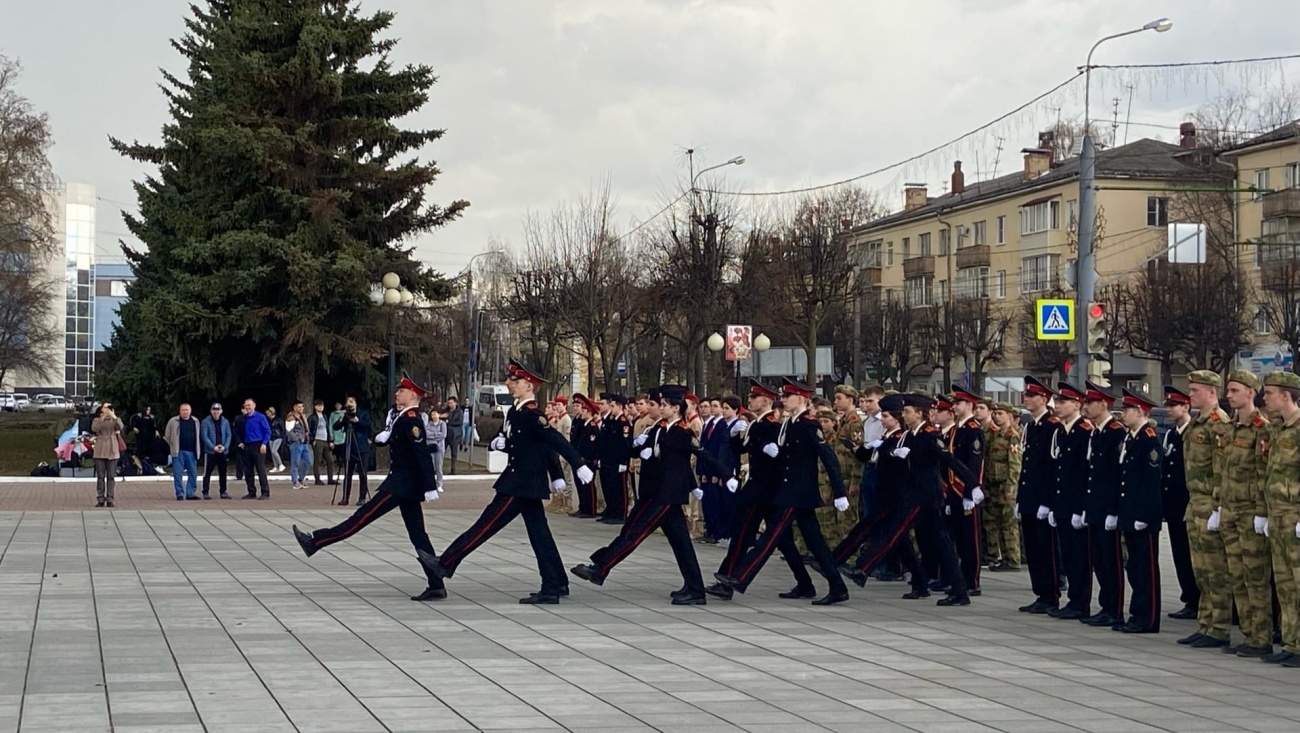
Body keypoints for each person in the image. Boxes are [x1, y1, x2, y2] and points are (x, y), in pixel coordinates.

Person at [418, 359, 593, 604]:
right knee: (540, 535)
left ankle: (445, 563)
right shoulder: (516, 411)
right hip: (522, 482)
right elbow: (519, 442)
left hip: (521, 484)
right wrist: (500, 443)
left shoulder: (532, 414)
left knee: (485, 525)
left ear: (529, 385)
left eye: (515, 380)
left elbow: (553, 441)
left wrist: (577, 464)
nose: (509, 383)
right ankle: (555, 583)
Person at [571, 385, 737, 605]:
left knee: (634, 533)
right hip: (653, 492)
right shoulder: (659, 428)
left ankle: (601, 568)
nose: (660, 408)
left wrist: (727, 475)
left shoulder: (682, 432)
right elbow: (635, 451)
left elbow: (702, 455)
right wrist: (638, 447)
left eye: (664, 405)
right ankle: (695, 588)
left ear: (676, 408)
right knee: (680, 544)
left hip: (666, 495)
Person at [294, 373, 448, 601]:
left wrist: (430, 486)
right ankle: (436, 584)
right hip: (404, 486)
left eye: (401, 391)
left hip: (401, 485)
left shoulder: (411, 419)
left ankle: (315, 542)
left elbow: (421, 454)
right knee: (418, 535)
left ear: (412, 395)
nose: (397, 393)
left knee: (360, 518)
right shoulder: (402, 417)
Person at [714, 378, 854, 606]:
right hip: (789, 491)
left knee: (770, 536)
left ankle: (740, 577)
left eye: (788, 396)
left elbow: (828, 458)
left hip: (799, 492)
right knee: (815, 543)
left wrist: (839, 492)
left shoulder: (809, 424)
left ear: (801, 398)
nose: (783, 400)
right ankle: (837, 587)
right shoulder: (789, 423)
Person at [1219, 370, 1275, 658]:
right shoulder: (1230, 428)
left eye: (1235, 390)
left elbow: (1263, 473)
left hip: (1250, 512)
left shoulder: (1261, 428)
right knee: (1237, 576)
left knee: (1256, 577)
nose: (1229, 395)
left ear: (1251, 392)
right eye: (1228, 390)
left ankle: (1262, 637)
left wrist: (1262, 512)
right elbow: (1224, 471)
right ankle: (1248, 634)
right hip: (1230, 511)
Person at [1177, 370, 1233, 649]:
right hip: (1195, 502)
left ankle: (1219, 627)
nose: (1190, 395)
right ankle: (1205, 623)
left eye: (1195, 390)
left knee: (1215, 570)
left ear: (1211, 392)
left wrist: (1218, 507)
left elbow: (1221, 469)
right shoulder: (1198, 422)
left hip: (1210, 503)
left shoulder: (1218, 424)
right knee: (1200, 570)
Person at [1259, 370, 1300, 666]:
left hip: (1295, 517)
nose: (1264, 398)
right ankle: (1292, 643)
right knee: (1285, 586)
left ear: (1286, 395)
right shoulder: (1278, 429)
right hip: (1279, 518)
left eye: (1269, 393)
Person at [1115, 387, 1163, 634]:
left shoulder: (1148, 439)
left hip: (1143, 517)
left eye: (1128, 409)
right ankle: (1136, 614)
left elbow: (1151, 483)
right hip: (1130, 514)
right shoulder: (1131, 438)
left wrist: (1145, 515)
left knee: (1146, 569)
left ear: (1141, 411)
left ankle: (1148, 618)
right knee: (1134, 568)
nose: (1123, 413)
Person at [1080, 381, 1127, 629]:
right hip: (1095, 506)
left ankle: (1114, 609)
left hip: (1108, 507)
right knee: (1099, 560)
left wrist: (1113, 510)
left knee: (1111, 561)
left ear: (1103, 404)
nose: (1085, 406)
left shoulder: (1115, 432)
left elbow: (1116, 475)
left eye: (1090, 403)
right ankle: (1104, 606)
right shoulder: (1096, 432)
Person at [1018, 376, 1064, 615]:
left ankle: (1051, 594)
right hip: (1030, 497)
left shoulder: (1052, 426)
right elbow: (1026, 466)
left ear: (1044, 399)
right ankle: (1040, 593)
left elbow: (1051, 468)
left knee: (1046, 549)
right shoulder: (1030, 426)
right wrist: (1020, 498)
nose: (1026, 399)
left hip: (1042, 500)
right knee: (1033, 550)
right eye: (1026, 395)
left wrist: (1047, 502)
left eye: (1031, 395)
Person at [1047, 382, 1093, 620]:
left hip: (1076, 506)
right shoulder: (1062, 431)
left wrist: (1080, 508)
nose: (1058, 406)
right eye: (1057, 401)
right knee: (1068, 555)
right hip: (1063, 504)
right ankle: (1073, 600)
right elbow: (1058, 472)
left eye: (1063, 402)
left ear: (1077, 404)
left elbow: (1084, 474)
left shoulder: (1084, 431)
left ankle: (1081, 602)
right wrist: (1054, 505)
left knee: (1079, 557)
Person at [942, 386, 987, 596]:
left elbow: (974, 463)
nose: (954, 406)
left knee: (970, 540)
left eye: (958, 403)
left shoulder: (973, 429)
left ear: (969, 405)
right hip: (954, 490)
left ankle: (972, 581)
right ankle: (960, 579)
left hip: (967, 491)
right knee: (959, 538)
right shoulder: (956, 429)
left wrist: (970, 491)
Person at [1161, 386, 1199, 620]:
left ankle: (1196, 599)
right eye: (1167, 405)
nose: (1168, 409)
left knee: (1191, 555)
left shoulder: (1192, 434)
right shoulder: (1171, 435)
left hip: (1188, 505)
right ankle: (1189, 597)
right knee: (1179, 554)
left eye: (1173, 405)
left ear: (1186, 407)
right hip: (1174, 506)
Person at [984, 402, 1023, 571]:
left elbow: (1015, 464)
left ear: (1009, 415)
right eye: (995, 413)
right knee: (996, 522)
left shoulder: (1011, 436)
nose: (996, 416)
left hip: (1005, 485)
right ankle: (1002, 557)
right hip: (993, 484)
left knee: (1008, 523)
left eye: (1000, 413)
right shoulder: (994, 434)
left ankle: (1013, 559)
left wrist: (1010, 486)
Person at [596, 393, 633, 524]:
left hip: (618, 461)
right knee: (610, 487)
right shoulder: (612, 421)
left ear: (620, 406)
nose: (611, 408)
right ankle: (611, 511)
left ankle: (620, 514)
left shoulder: (623, 423)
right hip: (609, 460)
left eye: (613, 406)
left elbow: (624, 444)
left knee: (619, 488)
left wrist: (623, 461)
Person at [333, 396, 372, 505]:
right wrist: (341, 419)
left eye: (352, 402)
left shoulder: (363, 413)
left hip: (362, 448)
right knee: (347, 474)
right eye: (348, 402)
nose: (350, 404)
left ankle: (362, 498)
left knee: (362, 474)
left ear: (356, 403)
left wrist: (357, 421)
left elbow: (368, 425)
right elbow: (335, 427)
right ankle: (345, 498)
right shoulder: (345, 415)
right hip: (349, 447)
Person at [165, 403, 203, 501]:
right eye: (183, 410)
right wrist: (173, 445)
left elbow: (198, 435)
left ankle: (190, 493)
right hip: (178, 452)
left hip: (192, 452)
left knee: (193, 473)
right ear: (180, 411)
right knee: (178, 474)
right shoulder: (173, 421)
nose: (185, 412)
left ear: (190, 411)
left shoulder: (195, 421)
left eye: (187, 410)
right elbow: (167, 435)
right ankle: (180, 494)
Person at [91, 403, 124, 508]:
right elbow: (94, 429)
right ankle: (100, 498)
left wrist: (114, 416)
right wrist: (102, 418)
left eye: (109, 407)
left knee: (111, 476)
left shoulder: (115, 420)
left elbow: (120, 427)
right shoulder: (97, 420)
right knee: (100, 476)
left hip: (112, 447)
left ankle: (110, 498)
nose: (107, 409)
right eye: (105, 407)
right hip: (100, 447)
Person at [238, 399, 272, 500]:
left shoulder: (260, 417)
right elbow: (238, 431)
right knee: (248, 470)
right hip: (247, 445)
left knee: (260, 469)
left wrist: (264, 444)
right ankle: (251, 492)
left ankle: (265, 492)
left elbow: (267, 431)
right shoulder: (243, 418)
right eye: (246, 405)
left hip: (258, 445)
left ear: (254, 406)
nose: (247, 407)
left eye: (249, 405)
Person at [201, 403, 233, 499]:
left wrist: (225, 447)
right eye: (214, 409)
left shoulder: (225, 422)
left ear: (221, 411)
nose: (216, 412)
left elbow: (229, 435)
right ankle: (205, 491)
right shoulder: (206, 422)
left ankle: (223, 491)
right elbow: (204, 436)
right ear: (211, 411)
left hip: (222, 451)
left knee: (223, 472)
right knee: (207, 472)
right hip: (210, 452)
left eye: (218, 410)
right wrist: (213, 447)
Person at [308, 399, 336, 486]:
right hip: (318, 440)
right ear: (315, 407)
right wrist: (312, 440)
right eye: (319, 406)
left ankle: (330, 479)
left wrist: (330, 440)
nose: (321, 407)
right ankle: (317, 479)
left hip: (325, 440)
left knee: (330, 460)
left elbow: (327, 428)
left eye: (322, 406)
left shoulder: (324, 416)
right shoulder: (312, 417)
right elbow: (309, 430)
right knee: (318, 460)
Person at [285, 400, 312, 491]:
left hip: (304, 443)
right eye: (299, 407)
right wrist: (297, 439)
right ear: (294, 408)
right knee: (295, 463)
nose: (301, 408)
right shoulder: (291, 417)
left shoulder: (303, 416)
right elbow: (289, 431)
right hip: (296, 443)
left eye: (302, 406)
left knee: (308, 462)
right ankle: (295, 481)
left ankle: (300, 478)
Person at [426, 405, 446, 490]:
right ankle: (431, 484)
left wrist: (433, 436)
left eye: (435, 414)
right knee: (431, 467)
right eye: (432, 415)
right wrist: (436, 435)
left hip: (440, 448)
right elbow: (427, 434)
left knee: (439, 467)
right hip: (430, 447)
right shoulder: (428, 424)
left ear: (439, 415)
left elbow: (443, 435)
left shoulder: (442, 424)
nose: (434, 416)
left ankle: (439, 484)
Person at [443, 396, 463, 474]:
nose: (450, 404)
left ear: (455, 403)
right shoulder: (446, 410)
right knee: (442, 452)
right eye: (449, 403)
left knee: (454, 454)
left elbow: (459, 422)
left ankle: (453, 470)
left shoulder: (459, 412)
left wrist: (449, 422)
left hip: (455, 435)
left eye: (451, 403)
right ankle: (438, 469)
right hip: (446, 435)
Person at [266, 406, 286, 473]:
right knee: (272, 452)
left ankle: (281, 464)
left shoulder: (278, 419)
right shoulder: (268, 420)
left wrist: (283, 437)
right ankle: (276, 466)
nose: (267, 415)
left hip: (278, 436)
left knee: (274, 451)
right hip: (271, 437)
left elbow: (282, 429)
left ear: (271, 412)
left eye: (268, 413)